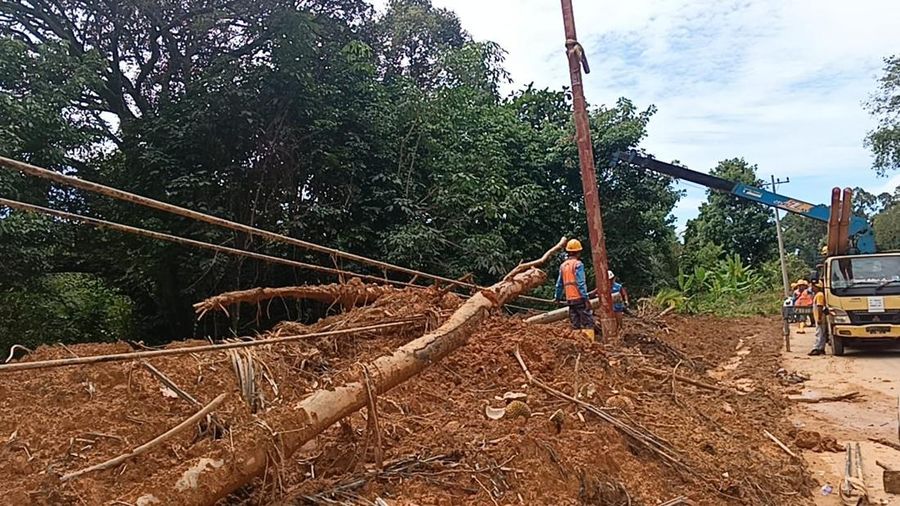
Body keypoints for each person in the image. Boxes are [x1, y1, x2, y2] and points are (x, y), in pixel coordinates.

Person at [555, 239, 595, 342]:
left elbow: (559, 284)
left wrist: (557, 297)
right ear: (578, 252)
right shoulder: (578, 264)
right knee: (588, 323)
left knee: (575, 324)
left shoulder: (563, 266)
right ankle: (590, 345)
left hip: (570, 299)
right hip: (579, 298)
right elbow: (581, 283)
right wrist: (586, 299)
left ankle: (578, 345)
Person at [808, 281, 828, 356]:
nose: (812, 288)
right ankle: (821, 348)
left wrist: (819, 318)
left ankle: (816, 348)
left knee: (819, 333)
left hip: (820, 317)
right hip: (819, 316)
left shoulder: (819, 295)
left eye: (813, 286)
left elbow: (820, 306)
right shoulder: (818, 295)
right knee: (822, 333)